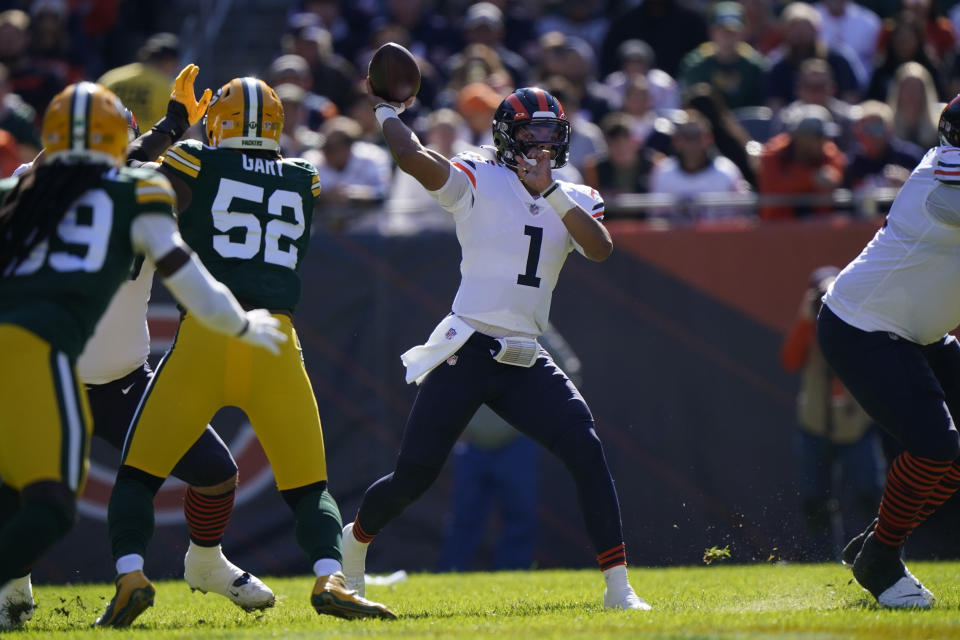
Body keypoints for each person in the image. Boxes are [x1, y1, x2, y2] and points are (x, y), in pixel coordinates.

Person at [94, 77, 397, 627]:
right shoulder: (304, 177)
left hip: (207, 336)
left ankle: (132, 575)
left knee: (138, 476)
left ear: (221, 123)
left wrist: (172, 125)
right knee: (309, 490)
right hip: (276, 342)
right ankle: (330, 576)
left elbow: (124, 182)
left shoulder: (193, 160)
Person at [340, 78, 650, 611]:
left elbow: (600, 249)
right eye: (533, 135)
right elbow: (414, 159)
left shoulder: (575, 194)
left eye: (552, 135)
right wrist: (388, 111)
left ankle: (619, 589)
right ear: (508, 138)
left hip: (525, 353)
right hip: (470, 346)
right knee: (413, 477)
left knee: (586, 447)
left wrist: (550, 189)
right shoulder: (479, 177)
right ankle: (353, 543)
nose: (544, 147)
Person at [0, 80, 286, 631]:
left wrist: (170, 128)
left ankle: (206, 561)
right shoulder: (136, 190)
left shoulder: (26, 188)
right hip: (45, 374)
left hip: (120, 382)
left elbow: (88, 172)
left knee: (215, 472)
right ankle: (15, 583)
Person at [816, 95, 960, 608]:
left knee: (948, 450)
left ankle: (880, 542)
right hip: (863, 326)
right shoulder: (940, 187)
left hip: (916, 331)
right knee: (934, 445)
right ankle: (882, 557)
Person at [780, 266, 884, 561]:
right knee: (816, 503)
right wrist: (805, 320)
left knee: (870, 498)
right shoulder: (808, 324)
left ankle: (882, 556)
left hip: (855, 428)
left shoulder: (858, 322)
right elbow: (789, 360)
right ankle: (824, 560)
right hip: (813, 428)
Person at [648, 109, 751, 221]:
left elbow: (743, 217)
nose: (692, 143)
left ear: (708, 138)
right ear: (676, 141)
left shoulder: (727, 172)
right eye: (686, 136)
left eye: (697, 136)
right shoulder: (663, 172)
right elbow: (656, 219)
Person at [757, 104, 847, 220]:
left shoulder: (828, 151)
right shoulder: (772, 155)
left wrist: (834, 176)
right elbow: (773, 188)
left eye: (825, 136)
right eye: (817, 136)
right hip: (779, 229)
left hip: (820, 230)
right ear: (799, 136)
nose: (823, 141)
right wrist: (810, 178)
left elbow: (837, 171)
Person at [97, 33, 181, 131]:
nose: (175, 69)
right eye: (175, 65)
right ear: (168, 61)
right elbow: (184, 130)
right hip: (147, 145)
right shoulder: (168, 89)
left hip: (107, 142)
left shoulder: (111, 78)